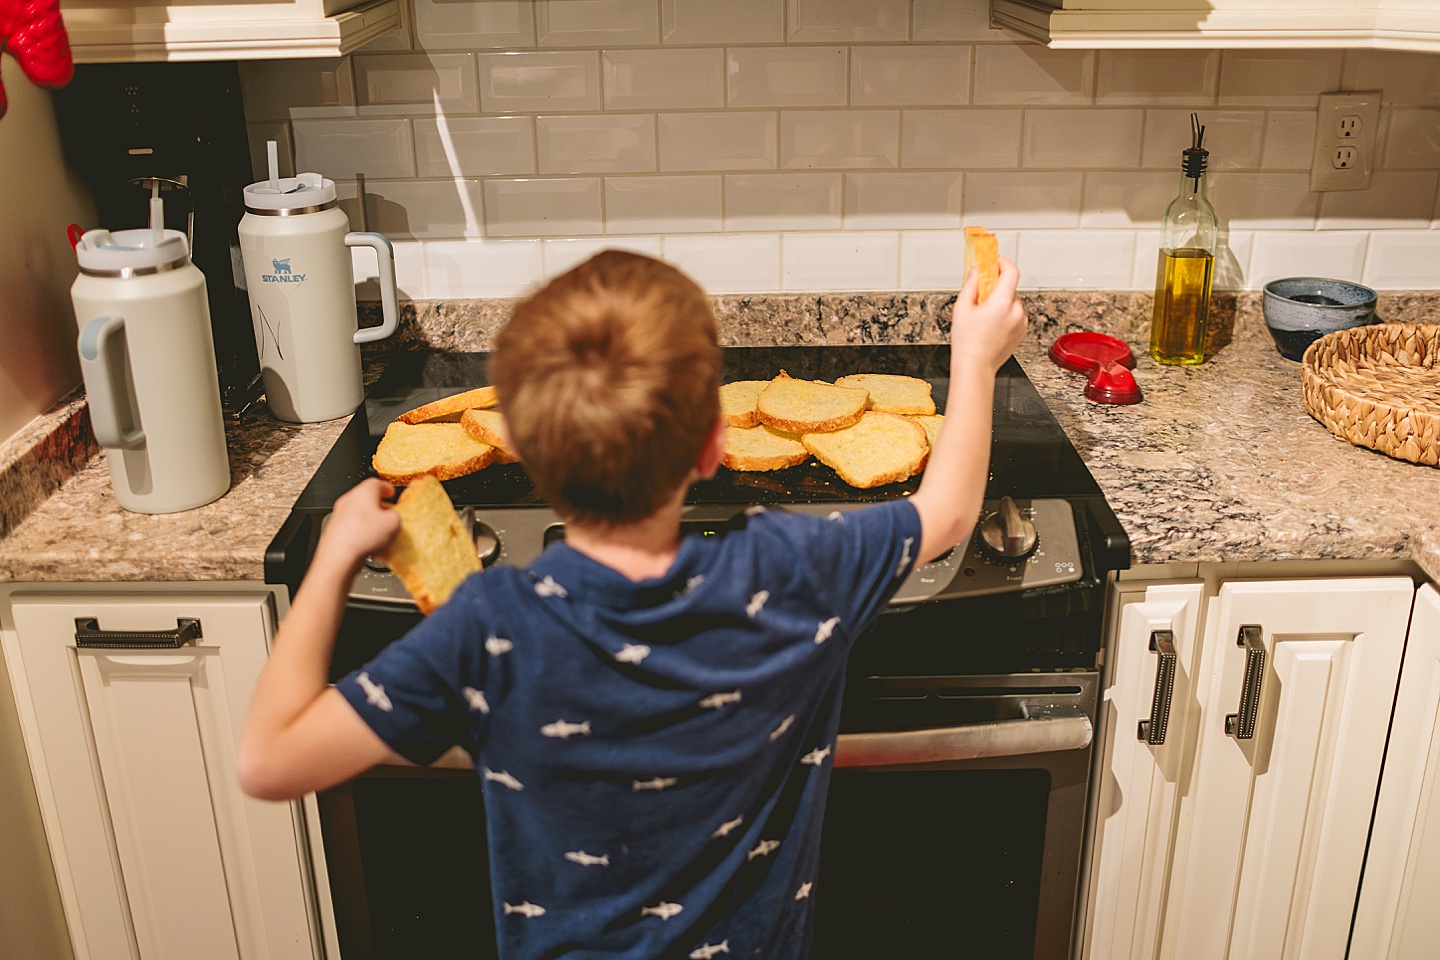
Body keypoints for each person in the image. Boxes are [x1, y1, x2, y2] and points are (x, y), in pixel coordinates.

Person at [239, 250, 1028, 960]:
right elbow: (951, 510)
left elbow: (270, 761)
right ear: (715, 445)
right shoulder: (794, 570)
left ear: (522, 452)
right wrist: (974, 356)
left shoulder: (489, 627)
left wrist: (337, 554)